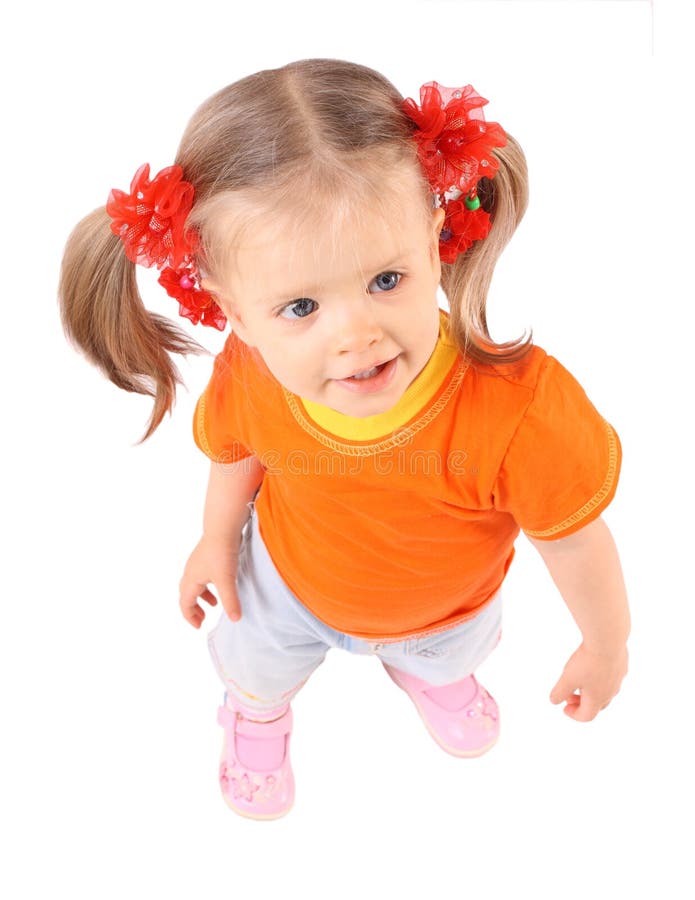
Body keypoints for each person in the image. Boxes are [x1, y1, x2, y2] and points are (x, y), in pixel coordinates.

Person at [58, 57, 630, 822]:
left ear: (436, 237)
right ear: (229, 308)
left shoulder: (519, 411)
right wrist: (215, 540)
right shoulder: (252, 369)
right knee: (253, 666)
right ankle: (257, 713)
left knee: (450, 651)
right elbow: (235, 451)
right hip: (282, 589)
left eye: (385, 280)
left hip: (446, 610)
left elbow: (575, 542)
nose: (356, 337)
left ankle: (427, 674)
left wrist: (605, 645)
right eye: (299, 306)